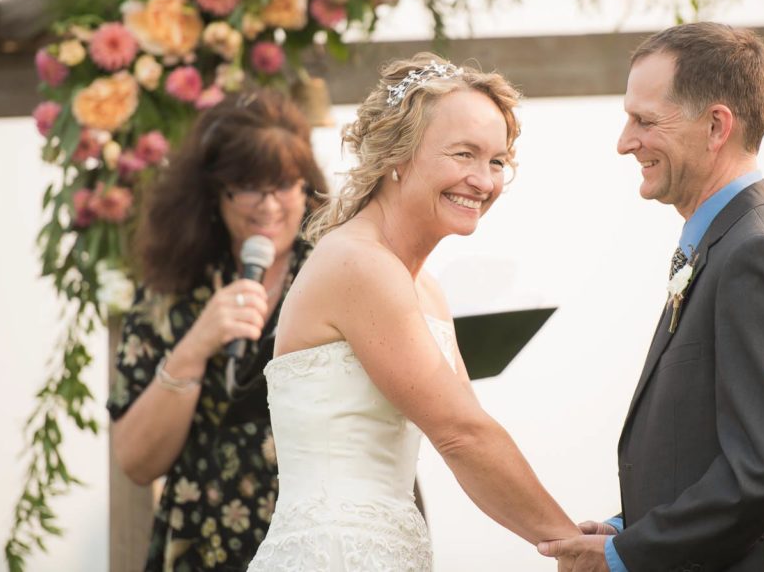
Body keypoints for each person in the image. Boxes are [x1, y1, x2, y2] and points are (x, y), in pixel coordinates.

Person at [538, 23, 764, 571]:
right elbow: (709, 452)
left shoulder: (760, 255)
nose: (624, 142)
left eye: (644, 120)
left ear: (716, 125)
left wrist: (627, 555)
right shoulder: (735, 245)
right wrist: (629, 528)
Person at [247, 53, 579, 570]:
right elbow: (461, 434)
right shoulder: (358, 263)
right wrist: (572, 546)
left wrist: (569, 536)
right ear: (397, 155)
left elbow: (471, 430)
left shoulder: (424, 288)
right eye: (463, 154)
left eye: (495, 160)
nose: (483, 180)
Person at [108, 90, 328, 571]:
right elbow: (136, 462)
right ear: (214, 191)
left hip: (319, 535)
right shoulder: (171, 290)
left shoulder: (336, 273)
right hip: (205, 538)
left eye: (285, 185)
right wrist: (195, 347)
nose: (270, 206)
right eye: (249, 186)